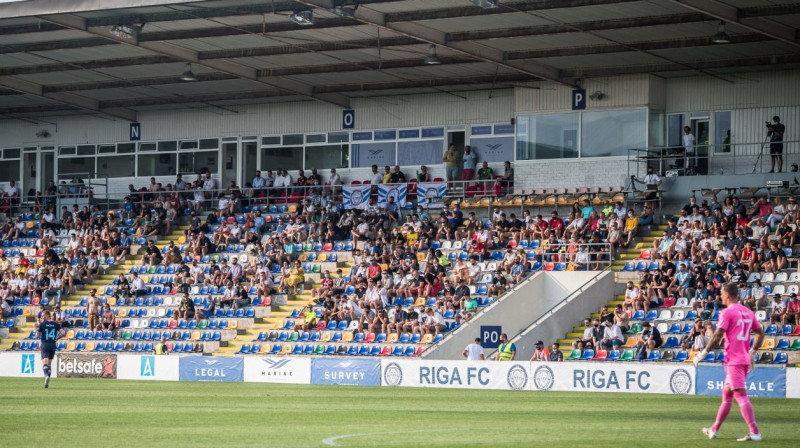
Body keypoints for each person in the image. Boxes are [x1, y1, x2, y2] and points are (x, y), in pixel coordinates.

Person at [694, 282, 764, 441]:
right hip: (743, 359)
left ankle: (755, 432)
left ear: (727, 295)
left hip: (734, 360)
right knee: (727, 396)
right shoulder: (747, 311)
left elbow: (718, 335)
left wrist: (703, 353)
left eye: (721, 292)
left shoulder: (727, 312)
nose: (720, 296)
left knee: (740, 396)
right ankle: (714, 430)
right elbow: (760, 332)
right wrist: (752, 351)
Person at [37, 310, 60, 388]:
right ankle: (48, 379)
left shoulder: (42, 324)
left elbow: (37, 336)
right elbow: (63, 332)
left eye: (43, 315)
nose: (42, 317)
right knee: (49, 364)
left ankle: (46, 375)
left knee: (45, 363)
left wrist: (37, 328)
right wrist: (57, 338)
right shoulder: (56, 324)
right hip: (53, 344)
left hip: (45, 344)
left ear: (48, 315)